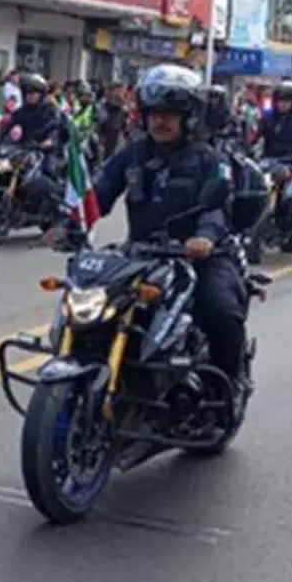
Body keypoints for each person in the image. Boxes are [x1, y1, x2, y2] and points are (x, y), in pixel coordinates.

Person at [66, 64, 247, 389]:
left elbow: (218, 209)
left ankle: (226, 388)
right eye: (154, 113)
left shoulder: (210, 160)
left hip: (200, 258)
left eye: (169, 114)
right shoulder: (132, 154)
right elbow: (99, 193)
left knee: (221, 313)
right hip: (141, 255)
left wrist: (203, 237)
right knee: (95, 307)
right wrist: (68, 222)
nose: (159, 121)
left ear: (189, 116)